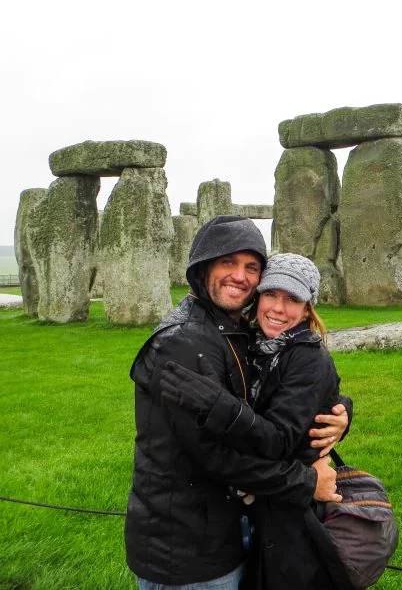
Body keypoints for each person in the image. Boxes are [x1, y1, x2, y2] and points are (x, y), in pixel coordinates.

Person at [125, 216, 350, 590]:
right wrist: (305, 481)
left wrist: (339, 410)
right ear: (203, 266)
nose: (240, 276)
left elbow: (277, 395)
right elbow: (214, 456)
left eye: (251, 267)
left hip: (227, 530)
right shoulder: (184, 343)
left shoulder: (236, 332)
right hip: (186, 549)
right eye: (227, 262)